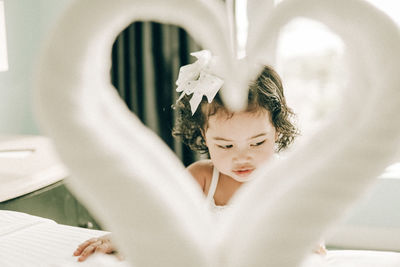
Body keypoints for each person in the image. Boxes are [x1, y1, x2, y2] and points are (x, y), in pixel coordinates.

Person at [73, 50, 324, 262]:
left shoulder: (287, 180)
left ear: (277, 131)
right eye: (226, 146)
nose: (241, 157)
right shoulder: (201, 178)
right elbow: (160, 220)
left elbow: (312, 235)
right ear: (204, 136)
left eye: (257, 142)